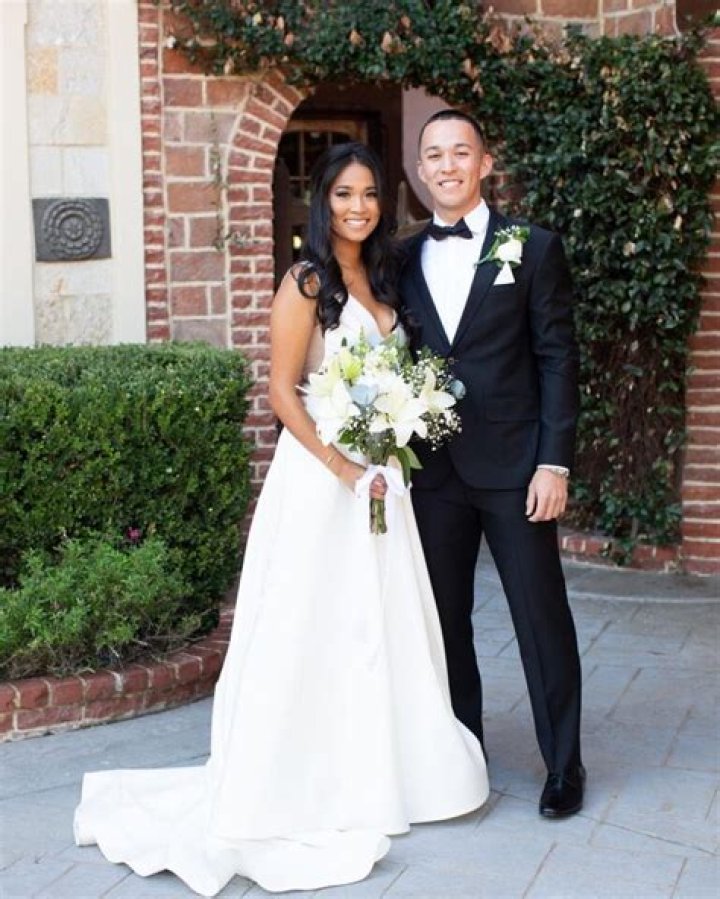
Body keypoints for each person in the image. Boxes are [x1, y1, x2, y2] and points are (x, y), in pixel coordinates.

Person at [73, 142, 488, 897]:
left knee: (378, 621)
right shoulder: (306, 281)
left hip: (380, 478)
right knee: (313, 619)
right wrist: (342, 467)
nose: (359, 207)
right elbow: (281, 390)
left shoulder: (386, 276)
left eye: (370, 194)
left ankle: (384, 770)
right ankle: (303, 775)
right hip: (322, 481)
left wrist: (390, 440)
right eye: (344, 194)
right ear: (323, 201)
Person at [399, 109, 585, 818]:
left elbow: (557, 358)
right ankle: (462, 757)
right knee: (444, 623)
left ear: (484, 163)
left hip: (515, 467)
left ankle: (563, 765)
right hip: (432, 472)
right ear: (421, 170)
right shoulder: (401, 257)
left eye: (460, 152)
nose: (447, 165)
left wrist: (554, 463)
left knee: (541, 618)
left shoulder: (530, 247)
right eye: (434, 155)